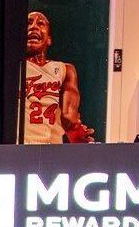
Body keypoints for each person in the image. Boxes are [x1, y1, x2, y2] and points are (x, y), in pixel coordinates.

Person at [24, 10, 94, 144]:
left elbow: (69, 118)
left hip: (52, 150)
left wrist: (78, 133)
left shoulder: (65, 70)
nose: (34, 26)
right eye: (29, 23)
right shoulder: (12, 69)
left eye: (40, 23)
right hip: (19, 149)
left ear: (49, 39)